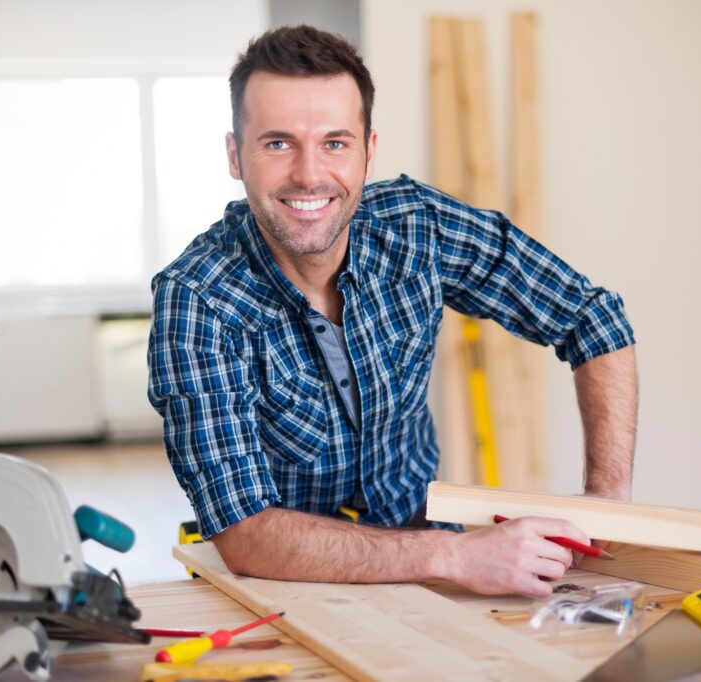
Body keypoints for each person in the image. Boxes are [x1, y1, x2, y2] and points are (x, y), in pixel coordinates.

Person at [148, 25, 637, 598]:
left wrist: (609, 499)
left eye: (335, 142)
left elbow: (593, 319)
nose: (309, 174)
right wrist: (457, 553)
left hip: (424, 555)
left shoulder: (416, 228)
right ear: (236, 155)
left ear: (368, 150)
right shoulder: (197, 298)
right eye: (278, 143)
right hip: (280, 584)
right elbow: (246, 531)